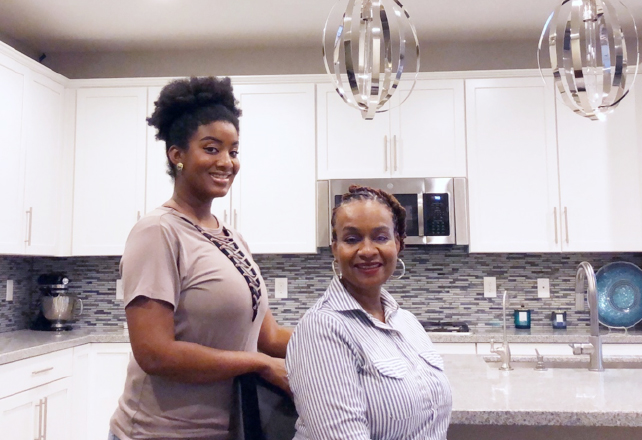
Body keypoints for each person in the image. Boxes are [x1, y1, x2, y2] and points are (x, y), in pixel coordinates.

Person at [109, 77, 292, 440]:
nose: (226, 162)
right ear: (177, 155)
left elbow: (266, 336)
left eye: (234, 151)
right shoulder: (158, 232)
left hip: (228, 429)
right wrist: (261, 365)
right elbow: (155, 353)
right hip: (158, 433)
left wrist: (341, 343)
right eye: (211, 149)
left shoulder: (232, 237)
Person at [286, 185, 452, 440]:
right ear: (335, 248)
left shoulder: (406, 322)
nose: (366, 251)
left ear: (397, 244)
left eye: (380, 237)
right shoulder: (322, 329)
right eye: (351, 239)